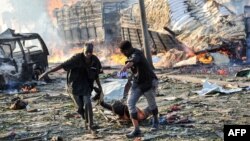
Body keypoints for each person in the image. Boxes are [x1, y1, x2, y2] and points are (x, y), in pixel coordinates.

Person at [39, 49, 95, 133]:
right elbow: (62, 65)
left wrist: (99, 87)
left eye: (90, 52)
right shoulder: (76, 59)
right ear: (83, 52)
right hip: (74, 86)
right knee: (80, 108)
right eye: (87, 52)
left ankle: (91, 125)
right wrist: (47, 72)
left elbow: (96, 73)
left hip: (85, 85)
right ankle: (85, 120)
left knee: (88, 103)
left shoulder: (94, 60)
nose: (88, 55)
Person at [118, 40, 159, 138]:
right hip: (137, 83)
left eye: (123, 52)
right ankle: (136, 129)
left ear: (127, 50)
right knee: (130, 103)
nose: (122, 54)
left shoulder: (137, 54)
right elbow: (134, 71)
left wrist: (125, 67)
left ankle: (156, 122)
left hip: (148, 81)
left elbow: (133, 61)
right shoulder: (129, 56)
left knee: (152, 104)